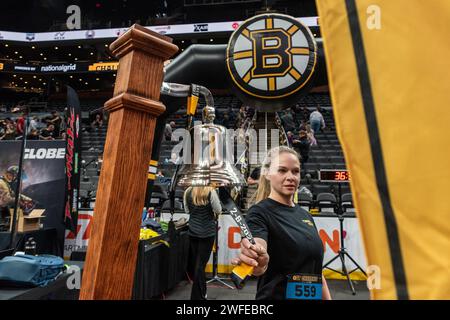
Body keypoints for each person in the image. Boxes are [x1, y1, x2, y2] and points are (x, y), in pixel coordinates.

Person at [232, 146, 331, 300]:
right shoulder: (258, 213)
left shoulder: (306, 215)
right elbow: (259, 254)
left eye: (295, 171)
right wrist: (259, 260)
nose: (291, 176)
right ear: (267, 174)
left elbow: (316, 272)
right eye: (282, 170)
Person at [183, 186, 222, 300]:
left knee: (198, 265)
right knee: (200, 266)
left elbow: (187, 210)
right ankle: (197, 297)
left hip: (193, 231)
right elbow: (218, 210)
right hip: (207, 233)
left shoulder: (188, 191)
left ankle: (202, 294)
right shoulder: (211, 191)